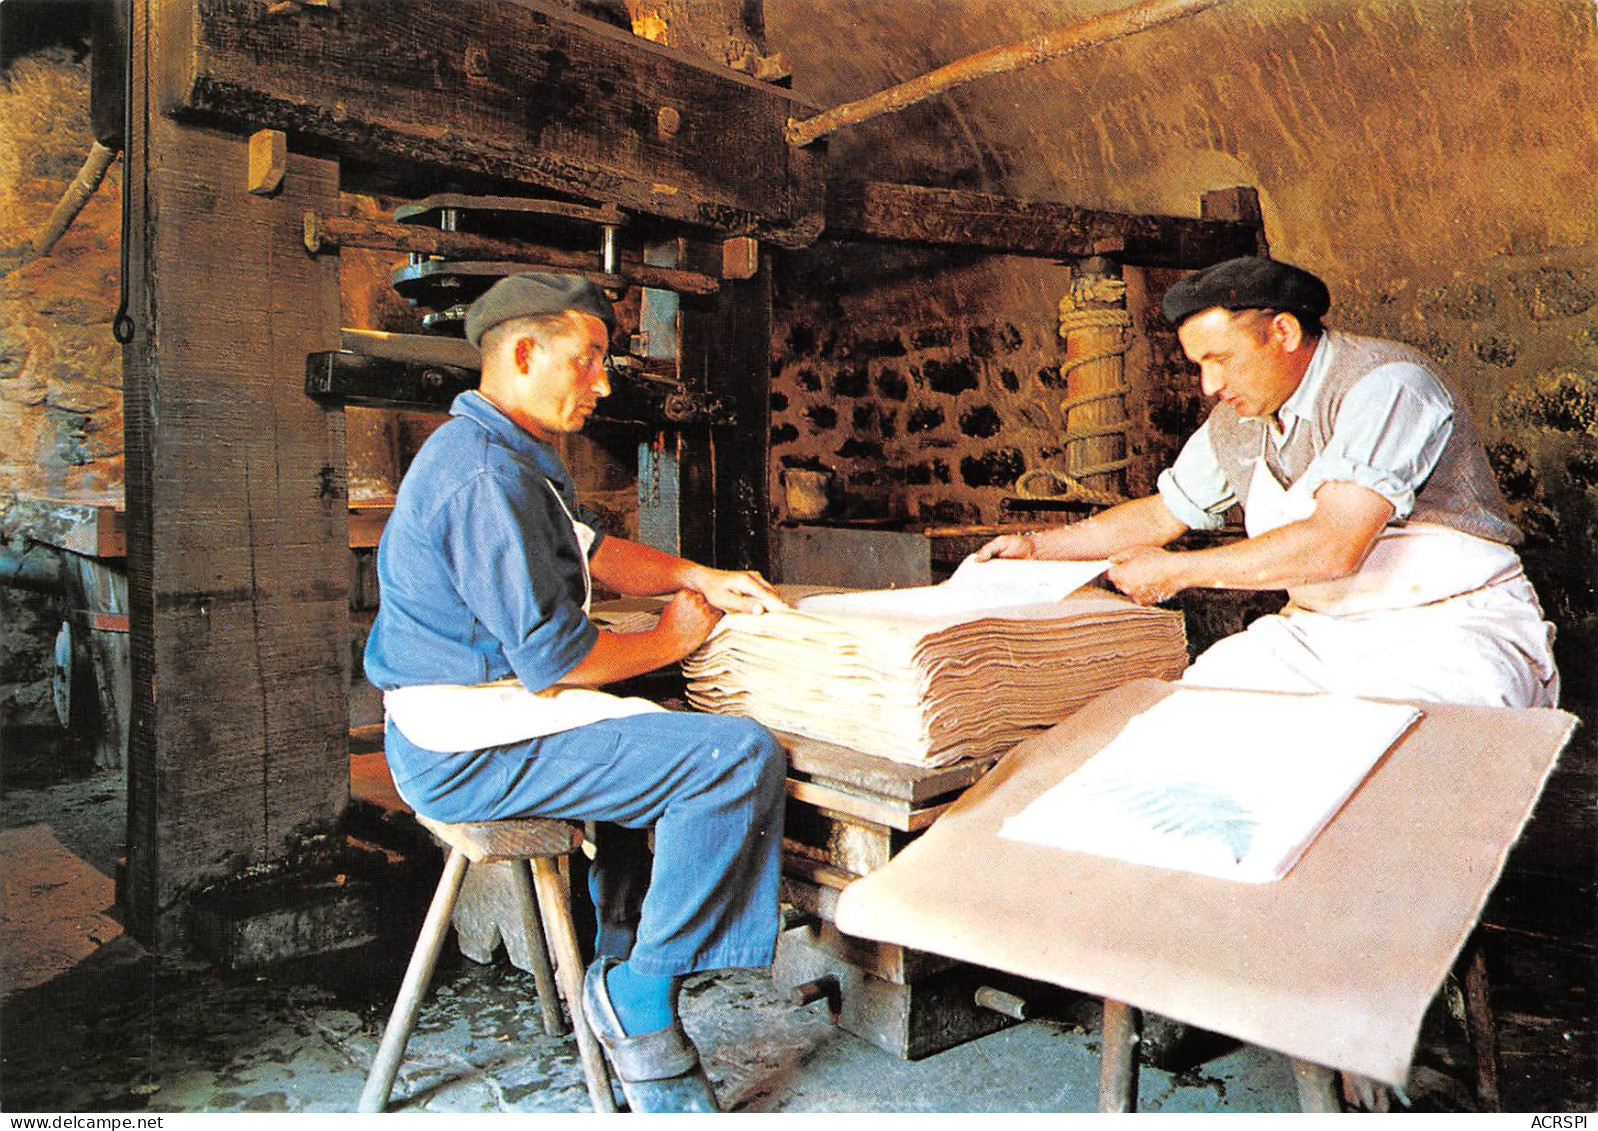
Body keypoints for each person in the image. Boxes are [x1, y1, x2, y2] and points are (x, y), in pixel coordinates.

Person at [363, 272, 788, 1112]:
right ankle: (641, 997)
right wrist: (669, 639)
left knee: (659, 736)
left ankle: (625, 956)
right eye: (589, 360)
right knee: (733, 757)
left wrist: (701, 574)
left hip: (482, 713)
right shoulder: (482, 475)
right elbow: (557, 659)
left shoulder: (508, 448)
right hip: (462, 748)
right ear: (524, 353)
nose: (603, 382)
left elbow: (592, 550)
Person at [978, 255, 1559, 708]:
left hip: (1451, 629)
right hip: (1320, 634)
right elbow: (1162, 513)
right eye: (1198, 364)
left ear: (1281, 332)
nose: (1209, 385)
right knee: (1198, 714)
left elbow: (1335, 544)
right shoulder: (1240, 418)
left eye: (1220, 359)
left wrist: (1180, 570)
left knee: (1391, 766)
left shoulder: (1389, 385)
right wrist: (1036, 549)